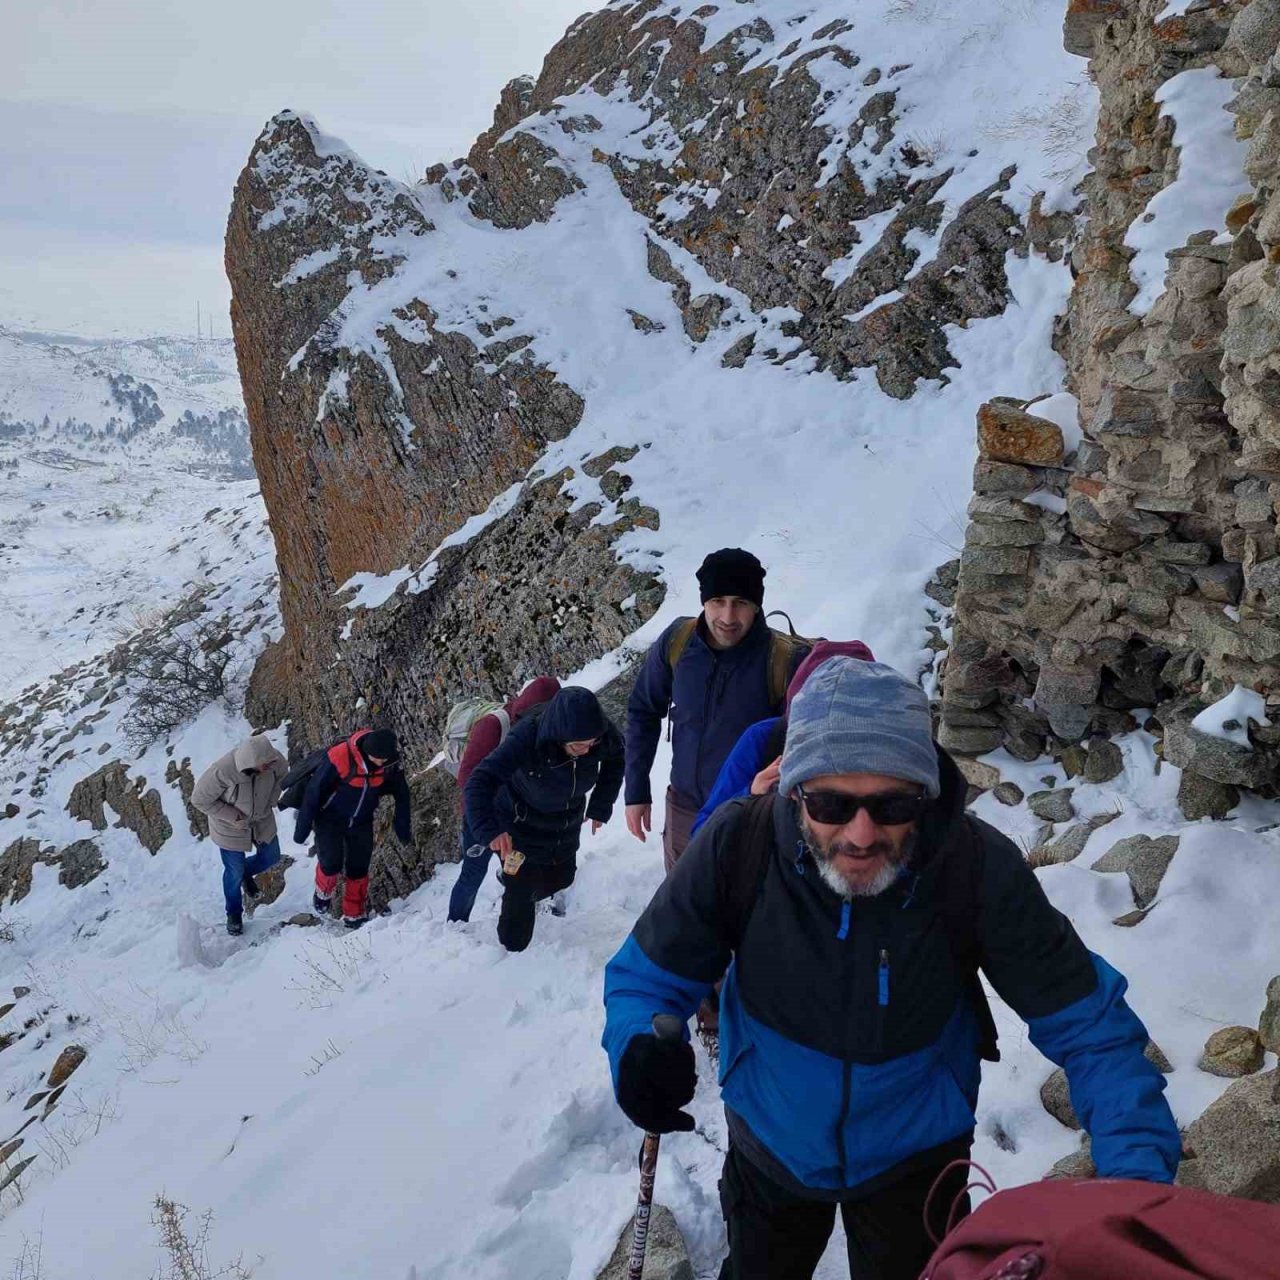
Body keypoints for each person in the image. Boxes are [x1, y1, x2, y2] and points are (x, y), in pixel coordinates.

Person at [603, 657, 1181, 1280]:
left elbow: (1089, 1025)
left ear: (925, 796)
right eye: (830, 802)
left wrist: (1135, 1188)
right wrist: (638, 1049)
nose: (860, 833)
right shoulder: (737, 845)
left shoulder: (972, 868)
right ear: (795, 790)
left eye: (892, 804)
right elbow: (647, 978)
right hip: (769, 1148)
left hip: (918, 1164)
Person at [624, 548, 809, 872]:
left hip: (747, 815)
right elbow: (643, 709)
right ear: (703, 601)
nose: (727, 616)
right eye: (717, 601)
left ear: (756, 606)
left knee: (737, 914)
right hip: (682, 809)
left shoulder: (782, 660)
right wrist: (636, 789)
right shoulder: (678, 641)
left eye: (740, 603)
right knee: (681, 908)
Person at [464, 686, 623, 952]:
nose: (587, 750)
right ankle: (510, 957)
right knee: (520, 900)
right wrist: (490, 831)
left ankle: (524, 887)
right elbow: (478, 781)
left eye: (592, 744)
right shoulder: (528, 737)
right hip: (520, 826)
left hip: (565, 824)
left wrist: (600, 805)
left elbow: (616, 759)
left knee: (563, 877)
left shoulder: (600, 734)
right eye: (578, 745)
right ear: (560, 736)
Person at [692, 639, 875, 835]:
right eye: (812, 723)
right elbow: (702, 833)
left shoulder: (889, 752)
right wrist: (751, 797)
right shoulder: (764, 740)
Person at [447, 676, 561, 923]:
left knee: (523, 861)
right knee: (473, 871)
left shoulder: (544, 726)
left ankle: (529, 906)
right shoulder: (492, 726)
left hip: (516, 810)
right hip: (483, 814)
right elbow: (469, 778)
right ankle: (455, 924)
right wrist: (485, 827)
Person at [293, 727, 412, 929]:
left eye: (383, 759)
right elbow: (314, 793)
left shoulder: (389, 763)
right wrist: (302, 830)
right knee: (331, 863)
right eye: (376, 759)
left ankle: (354, 914)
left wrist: (402, 827)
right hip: (329, 819)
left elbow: (402, 793)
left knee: (359, 868)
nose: (380, 763)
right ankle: (323, 893)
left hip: (361, 821)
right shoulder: (340, 757)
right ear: (367, 752)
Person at [192, 734, 289, 935]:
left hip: (261, 819)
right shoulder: (223, 770)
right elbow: (200, 799)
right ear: (253, 763)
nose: (272, 765)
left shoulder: (274, 760)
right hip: (230, 826)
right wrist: (232, 815)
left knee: (271, 856)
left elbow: (283, 776)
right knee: (233, 872)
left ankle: (245, 873)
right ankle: (234, 913)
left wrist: (271, 800)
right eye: (266, 764)